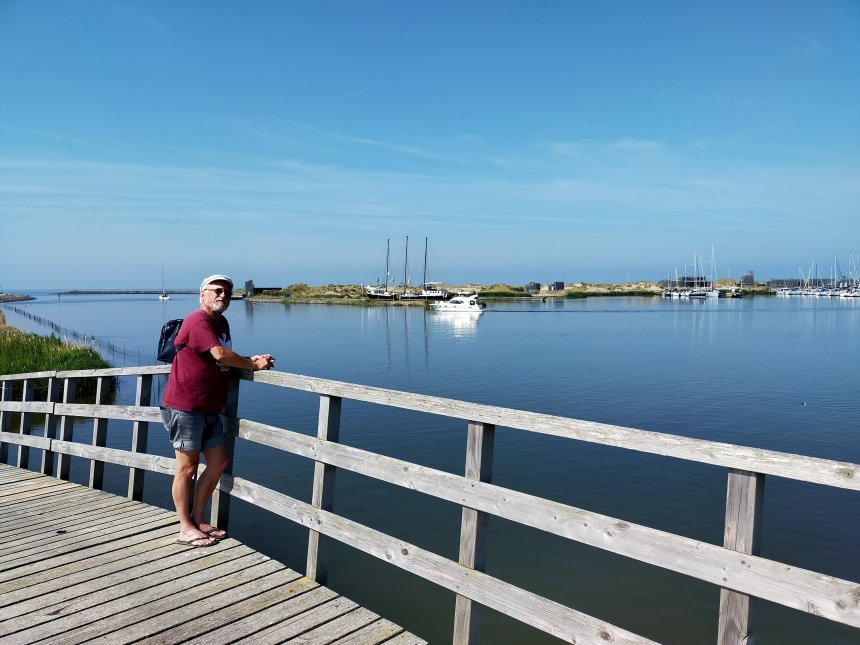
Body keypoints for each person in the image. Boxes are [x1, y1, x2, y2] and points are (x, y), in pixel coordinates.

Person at [161, 274, 275, 547]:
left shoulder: (220, 322)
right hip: (185, 405)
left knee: (218, 463)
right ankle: (185, 527)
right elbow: (219, 354)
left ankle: (198, 518)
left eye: (227, 292)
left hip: (211, 406)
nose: (223, 295)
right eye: (216, 290)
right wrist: (252, 365)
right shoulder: (197, 320)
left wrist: (250, 359)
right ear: (202, 295)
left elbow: (224, 358)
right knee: (187, 468)